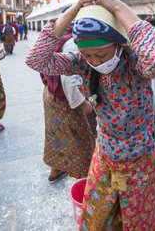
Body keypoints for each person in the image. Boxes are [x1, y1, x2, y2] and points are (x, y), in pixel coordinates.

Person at [26, 0, 155, 230]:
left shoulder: (135, 63)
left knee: (140, 217)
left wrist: (117, 7)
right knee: (97, 214)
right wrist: (72, 11)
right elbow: (36, 60)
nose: (95, 61)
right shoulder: (80, 64)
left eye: (101, 54)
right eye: (88, 55)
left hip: (140, 156)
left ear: (118, 45)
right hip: (105, 152)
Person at [39, 14, 96, 183]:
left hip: (51, 94)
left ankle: (55, 171)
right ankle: (89, 178)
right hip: (66, 100)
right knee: (82, 138)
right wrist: (82, 104)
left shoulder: (60, 37)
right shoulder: (72, 42)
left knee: (55, 134)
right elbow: (68, 79)